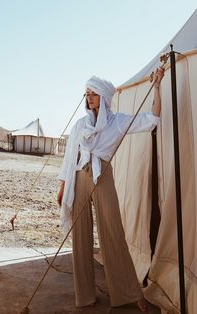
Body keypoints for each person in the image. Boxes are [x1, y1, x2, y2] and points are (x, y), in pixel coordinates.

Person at [57, 68, 164, 312]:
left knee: (113, 233)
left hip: (102, 175)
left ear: (104, 98)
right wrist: (63, 186)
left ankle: (128, 292)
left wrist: (157, 86)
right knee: (80, 236)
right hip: (79, 176)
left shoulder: (117, 122)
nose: (89, 98)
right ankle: (85, 295)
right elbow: (69, 158)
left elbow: (152, 119)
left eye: (93, 94)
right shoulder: (79, 126)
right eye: (87, 94)